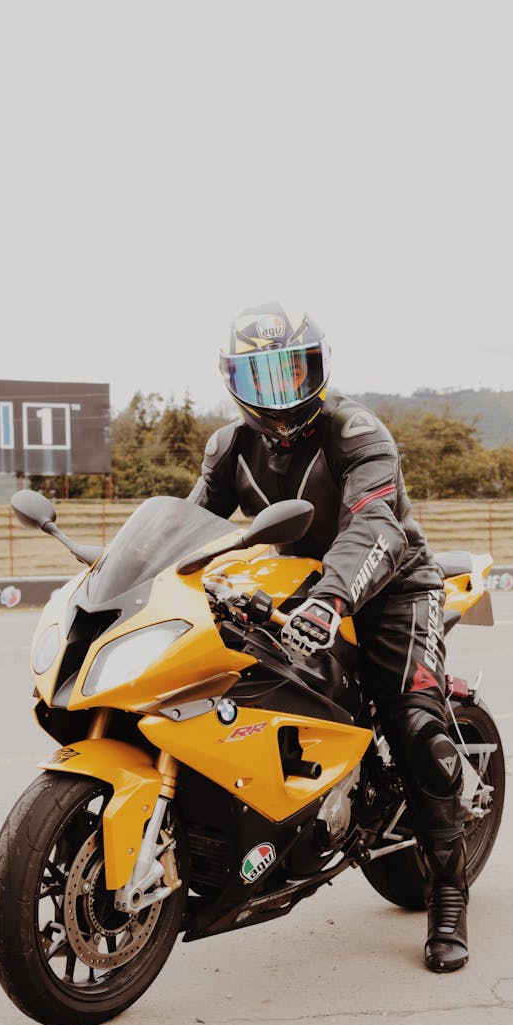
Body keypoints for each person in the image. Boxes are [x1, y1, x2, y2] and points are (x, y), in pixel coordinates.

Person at [188, 301, 469, 973]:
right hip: (300, 593)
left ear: (318, 369)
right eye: (263, 377)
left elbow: (374, 524)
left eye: (291, 372)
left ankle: (450, 893)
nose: (280, 393)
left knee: (413, 724)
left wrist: (331, 597)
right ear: (235, 381)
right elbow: (191, 527)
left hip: (394, 586)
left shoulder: (356, 432)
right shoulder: (228, 448)